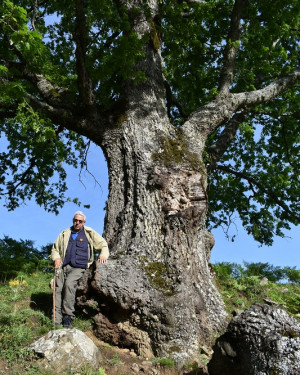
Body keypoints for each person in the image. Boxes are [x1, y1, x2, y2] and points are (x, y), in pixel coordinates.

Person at [51, 210, 109, 328]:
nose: (77, 223)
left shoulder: (89, 233)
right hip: (63, 267)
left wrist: (103, 255)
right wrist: (56, 258)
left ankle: (68, 316)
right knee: (57, 289)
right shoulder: (64, 233)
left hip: (79, 267)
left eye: (80, 221)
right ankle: (55, 319)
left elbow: (103, 244)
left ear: (83, 222)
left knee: (68, 285)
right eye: (75, 220)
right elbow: (55, 249)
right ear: (73, 221)